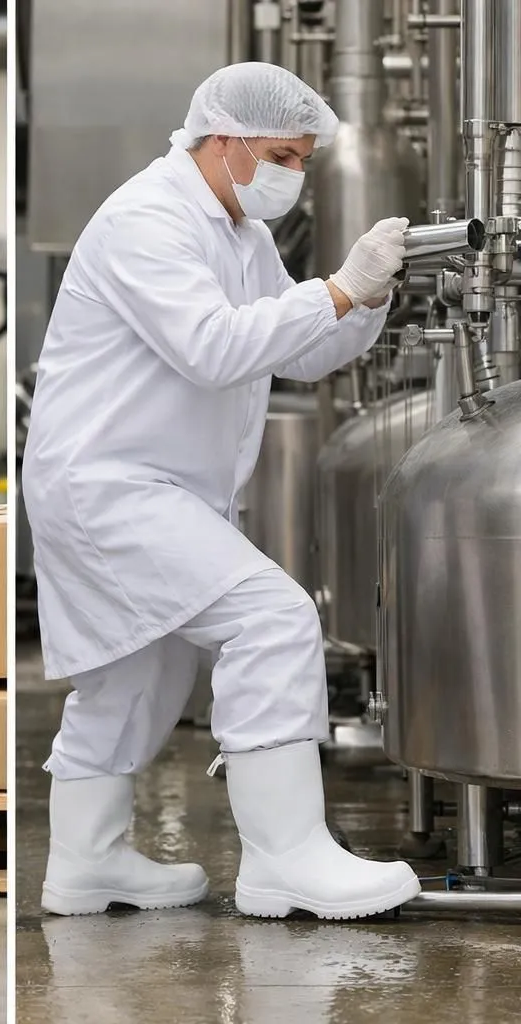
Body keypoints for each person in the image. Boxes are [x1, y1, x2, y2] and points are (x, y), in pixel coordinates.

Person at [22, 62, 421, 921]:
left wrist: (367, 299)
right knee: (271, 618)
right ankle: (286, 858)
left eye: (303, 160)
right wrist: (340, 284)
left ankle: (86, 866)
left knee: (138, 673)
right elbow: (212, 346)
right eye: (282, 153)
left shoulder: (239, 231)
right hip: (108, 484)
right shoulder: (148, 219)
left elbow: (299, 352)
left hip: (157, 486)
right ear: (225, 138)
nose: (293, 175)